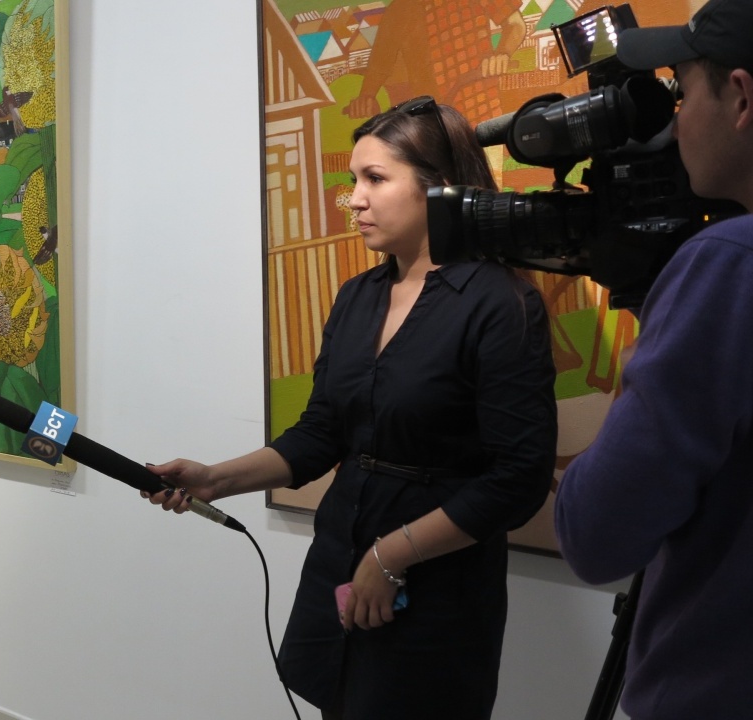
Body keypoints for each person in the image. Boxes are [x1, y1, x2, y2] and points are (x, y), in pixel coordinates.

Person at [148, 99, 557, 719]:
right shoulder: (358, 297)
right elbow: (322, 433)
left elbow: (518, 479)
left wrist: (391, 556)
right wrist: (214, 479)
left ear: (440, 186)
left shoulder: (500, 304)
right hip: (340, 561)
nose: (354, 200)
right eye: (353, 180)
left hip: (439, 587)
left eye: (375, 179)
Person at [554, 1, 753, 717]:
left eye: (682, 90)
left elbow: (598, 533)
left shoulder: (728, 264)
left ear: (740, 97)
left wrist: (648, 345)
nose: (676, 119)